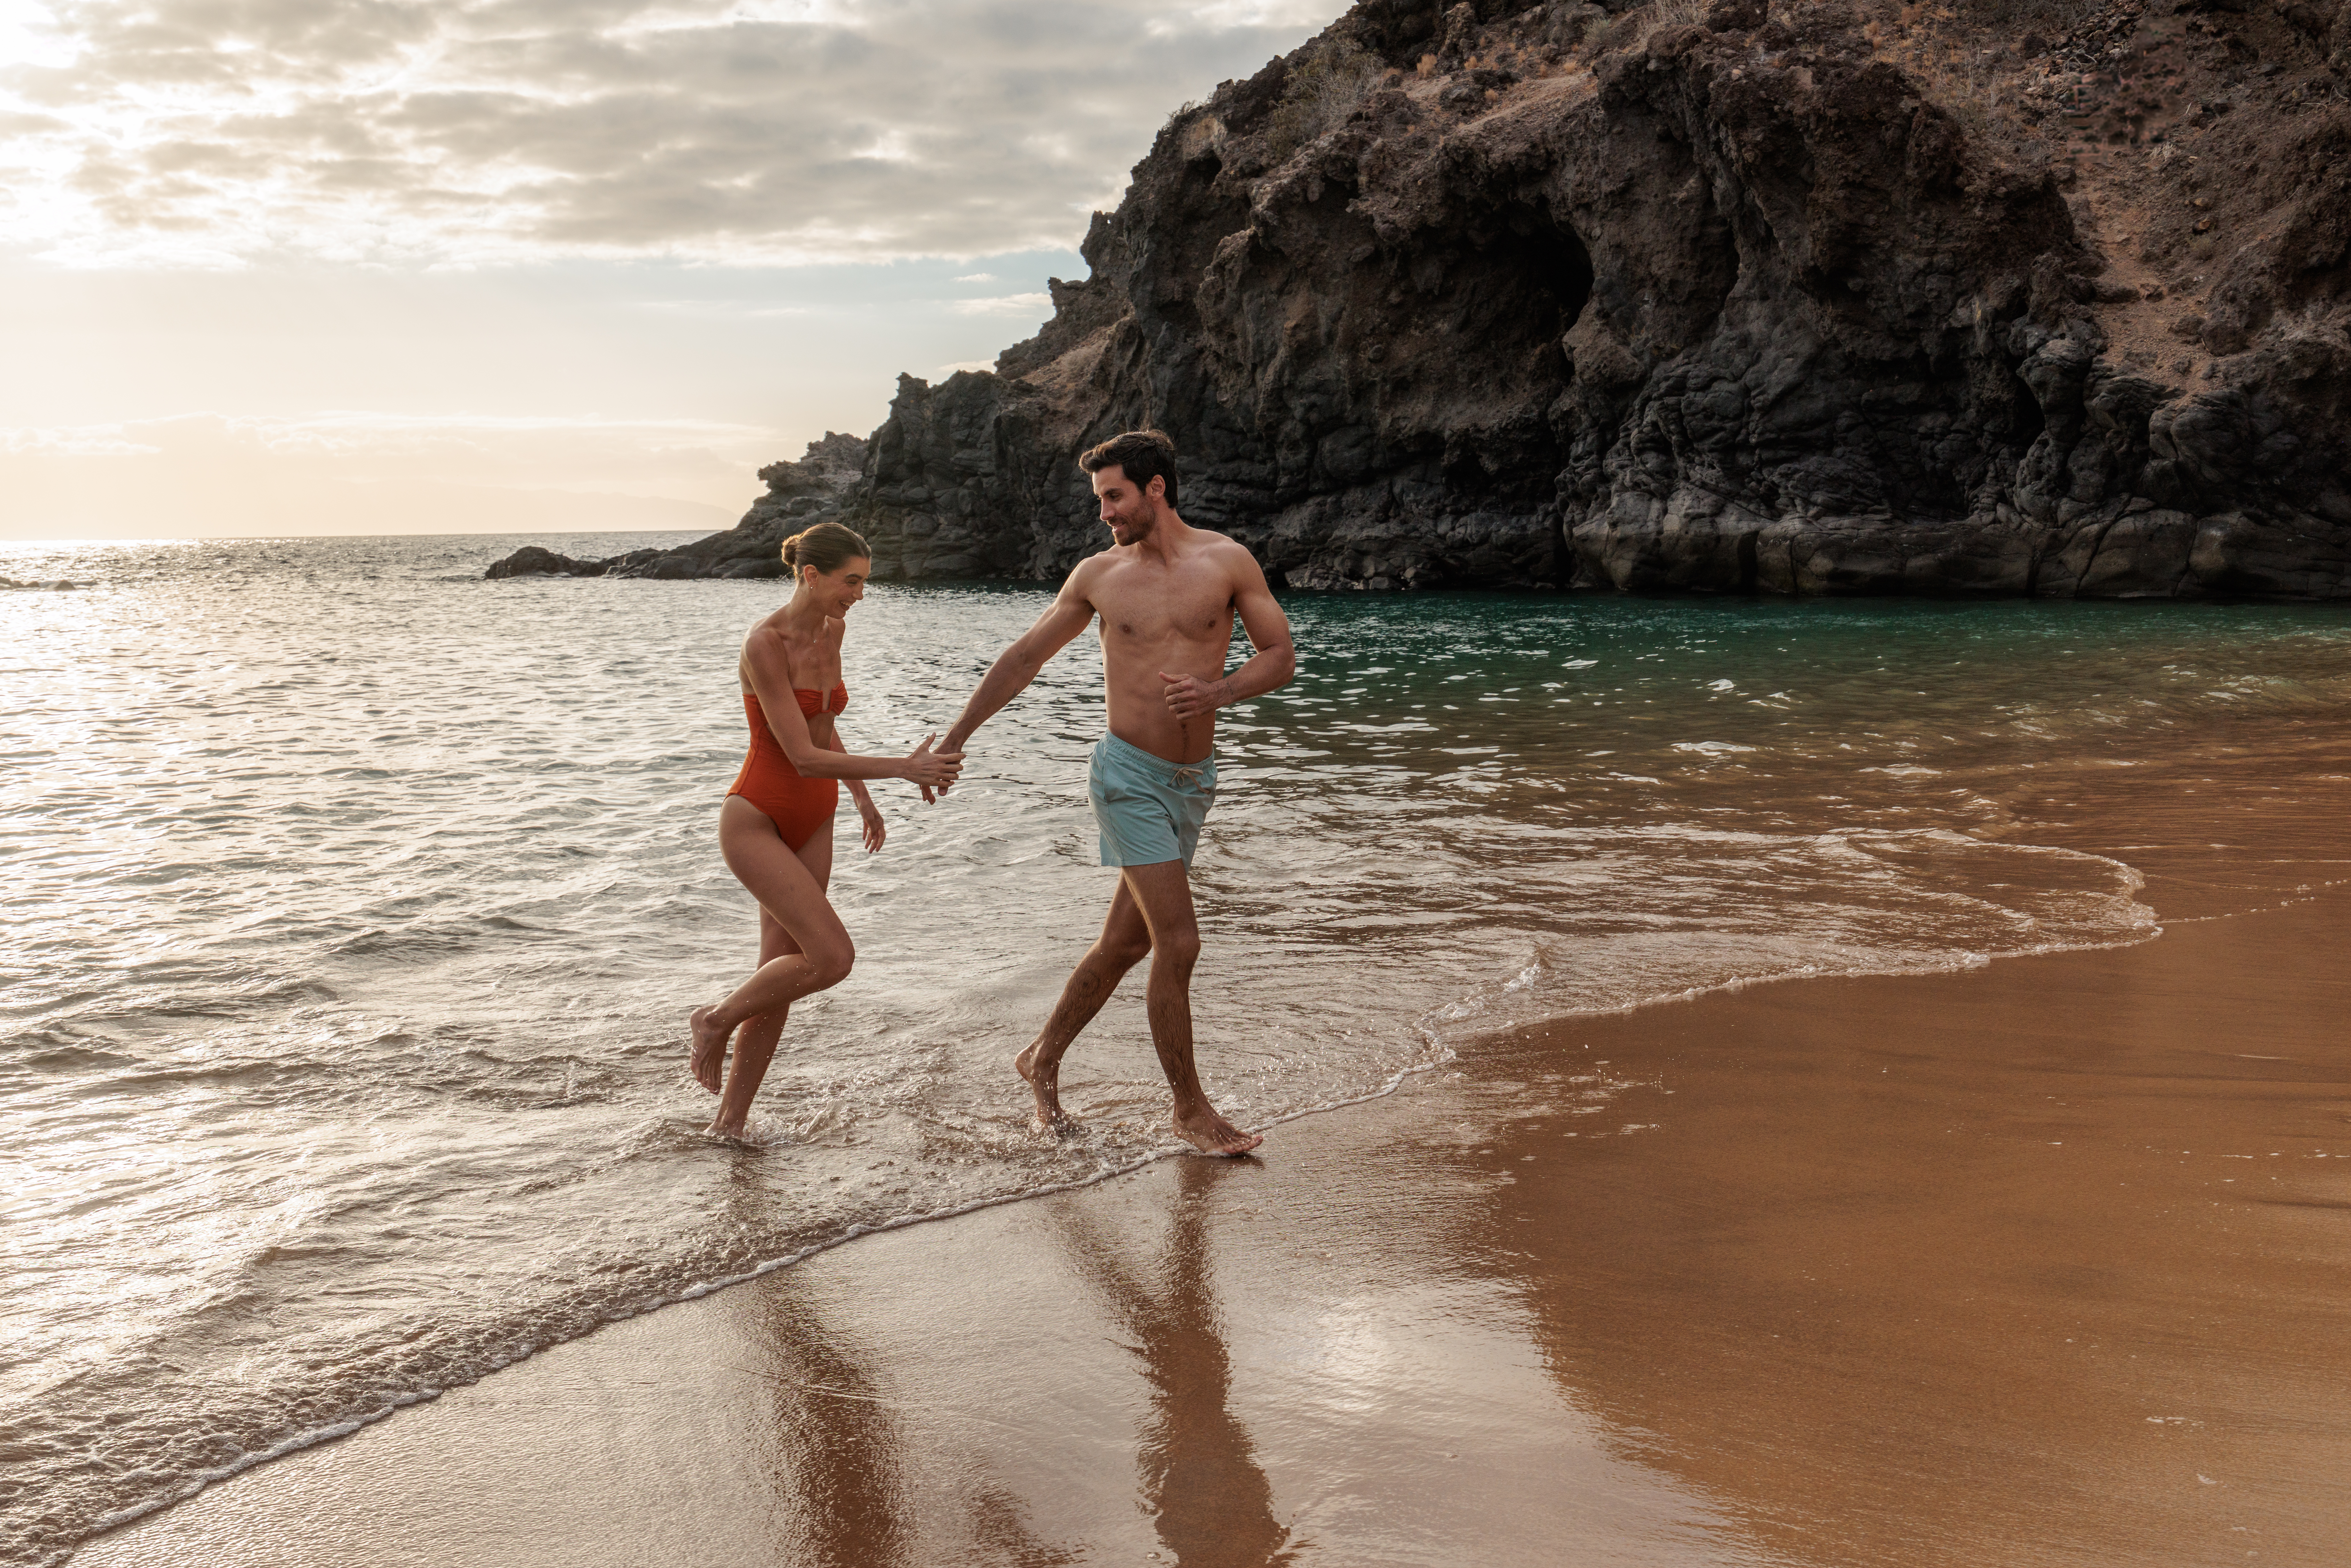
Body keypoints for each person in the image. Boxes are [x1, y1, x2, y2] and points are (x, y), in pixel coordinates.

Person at [935, 429, 1297, 1156]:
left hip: (1193, 784)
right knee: (1180, 941)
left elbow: (1280, 656)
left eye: (1114, 496)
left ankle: (1040, 1058)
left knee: (1126, 942)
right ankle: (1189, 1108)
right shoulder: (1098, 576)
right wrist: (954, 738)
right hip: (1125, 775)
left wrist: (1218, 691)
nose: (1104, 512)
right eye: (1100, 498)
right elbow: (1024, 657)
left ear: (1155, 488)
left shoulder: (1226, 561)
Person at [688, 522, 963, 1138]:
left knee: (782, 970)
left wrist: (863, 796)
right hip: (758, 814)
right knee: (831, 957)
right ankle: (714, 1018)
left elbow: (820, 720)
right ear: (811, 575)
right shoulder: (765, 642)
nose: (859, 594)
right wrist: (902, 767)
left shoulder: (834, 630)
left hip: (818, 815)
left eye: (864, 581)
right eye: (851, 581)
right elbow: (800, 754)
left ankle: (728, 1124)